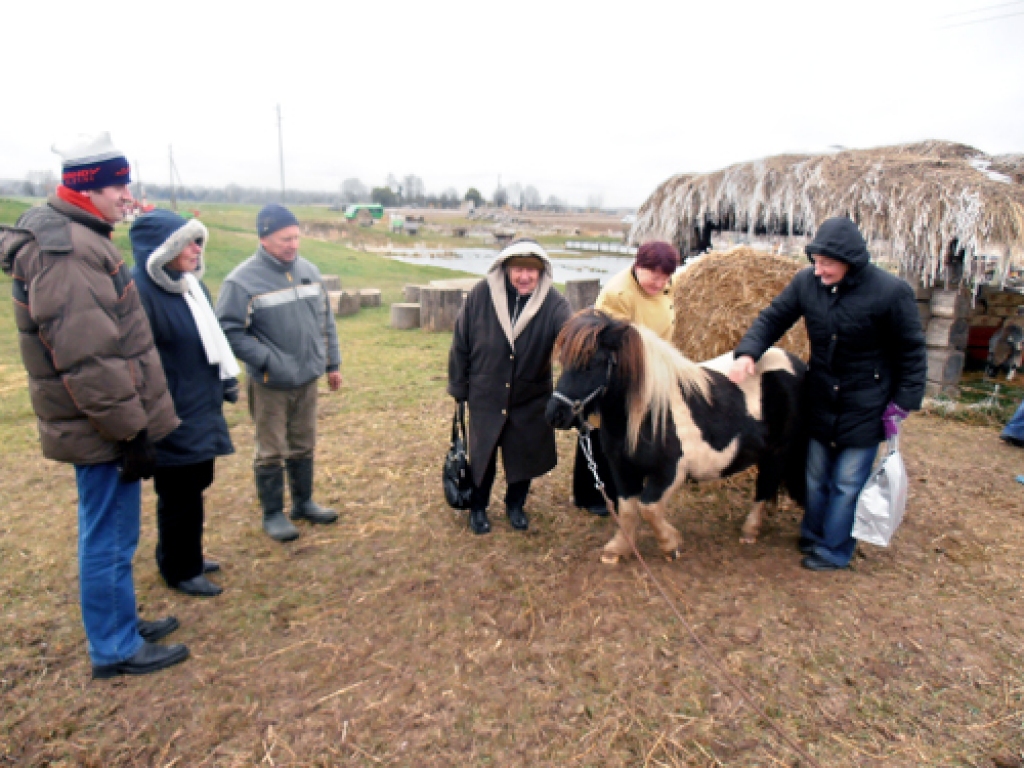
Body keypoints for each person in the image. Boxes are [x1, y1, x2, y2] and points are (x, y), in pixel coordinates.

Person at [0, 133, 188, 677]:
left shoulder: (82, 238)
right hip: (102, 427)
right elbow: (90, 358)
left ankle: (121, 622)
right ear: (89, 188)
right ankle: (115, 647)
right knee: (107, 535)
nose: (126, 196)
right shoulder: (69, 251)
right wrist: (130, 431)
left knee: (115, 530)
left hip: (103, 422)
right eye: (119, 186)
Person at [728, 216, 927, 571]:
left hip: (867, 401)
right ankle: (812, 533)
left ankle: (834, 550)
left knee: (847, 482)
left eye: (827, 263)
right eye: (815, 262)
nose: (819, 270)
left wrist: (903, 403)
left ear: (850, 260)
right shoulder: (807, 283)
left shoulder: (891, 292)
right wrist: (747, 353)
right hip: (819, 395)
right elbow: (773, 317)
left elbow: (911, 352)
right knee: (815, 475)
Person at [216, 204, 342, 542]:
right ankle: (273, 513)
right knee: (271, 448)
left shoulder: (310, 271)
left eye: (296, 237)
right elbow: (228, 331)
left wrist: (332, 363)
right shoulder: (241, 282)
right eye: (285, 238)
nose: (293, 244)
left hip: (308, 378)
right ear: (264, 238)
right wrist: (268, 361)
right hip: (270, 383)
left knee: (303, 443)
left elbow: (325, 321)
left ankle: (303, 503)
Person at [130, 209, 239, 597]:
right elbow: (138, 361)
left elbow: (212, 341)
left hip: (201, 404)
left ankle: (185, 552)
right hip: (170, 412)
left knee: (198, 481)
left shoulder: (191, 287)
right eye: (188, 242)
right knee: (179, 491)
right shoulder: (140, 292)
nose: (197, 249)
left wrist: (225, 382)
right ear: (164, 249)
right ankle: (180, 568)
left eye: (199, 241)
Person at [448, 239, 572, 534]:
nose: (525, 276)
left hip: (530, 397)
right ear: (505, 268)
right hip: (486, 394)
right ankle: (477, 507)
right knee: (483, 457)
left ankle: (515, 505)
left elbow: (570, 337)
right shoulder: (481, 295)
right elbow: (460, 342)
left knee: (523, 456)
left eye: (532, 270)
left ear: (542, 272)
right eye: (518, 269)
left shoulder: (555, 303)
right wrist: (459, 386)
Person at [573, 241, 680, 516]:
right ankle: (592, 494)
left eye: (665, 277)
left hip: (651, 368)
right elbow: (613, 343)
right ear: (638, 266)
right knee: (602, 427)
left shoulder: (666, 286)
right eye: (654, 275)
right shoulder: (618, 294)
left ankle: (624, 484)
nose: (660, 282)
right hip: (621, 369)